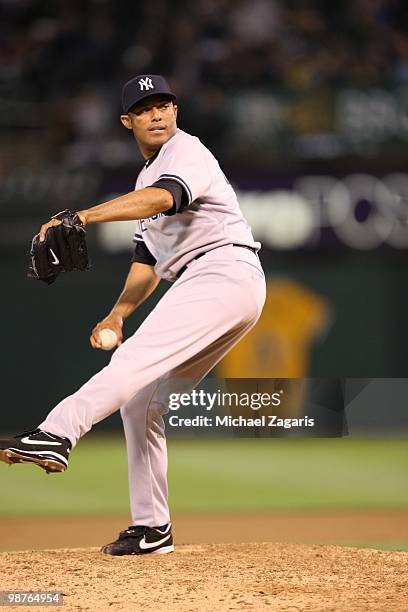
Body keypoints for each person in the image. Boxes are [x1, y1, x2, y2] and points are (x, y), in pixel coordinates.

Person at [0, 74, 266, 556]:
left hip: (222, 269)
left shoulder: (188, 152)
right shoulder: (144, 180)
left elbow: (167, 197)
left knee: (135, 362)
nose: (157, 114)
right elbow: (146, 261)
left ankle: (56, 432)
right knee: (141, 401)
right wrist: (118, 313)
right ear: (128, 121)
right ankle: (152, 528)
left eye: (164, 104)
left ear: (176, 111)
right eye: (145, 109)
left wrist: (82, 216)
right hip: (214, 281)